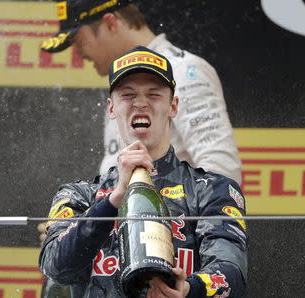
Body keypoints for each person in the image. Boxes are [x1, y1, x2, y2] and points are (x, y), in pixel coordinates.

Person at [39, 46, 247, 298]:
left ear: (173, 106)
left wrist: (189, 288)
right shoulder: (78, 195)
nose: (140, 103)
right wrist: (114, 199)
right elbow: (56, 267)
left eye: (153, 94)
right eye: (127, 95)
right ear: (111, 108)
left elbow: (232, 273)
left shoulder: (212, 189)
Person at [41, 0, 242, 184]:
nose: (78, 54)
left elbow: (222, 171)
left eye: (78, 40)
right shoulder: (119, 85)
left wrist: (174, 221)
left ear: (110, 23)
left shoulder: (184, 71)